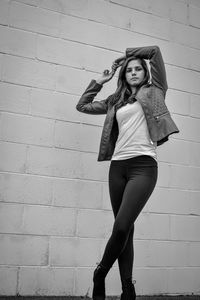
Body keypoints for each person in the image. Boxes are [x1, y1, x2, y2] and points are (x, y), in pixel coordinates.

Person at [76, 45, 179, 300]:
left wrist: (126, 55)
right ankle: (127, 289)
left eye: (137, 69)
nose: (133, 72)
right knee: (127, 230)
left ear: (145, 73)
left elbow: (154, 51)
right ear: (123, 76)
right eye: (129, 70)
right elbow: (83, 106)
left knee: (120, 228)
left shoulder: (156, 91)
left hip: (144, 166)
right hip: (118, 167)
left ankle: (100, 273)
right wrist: (99, 82)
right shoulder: (115, 101)